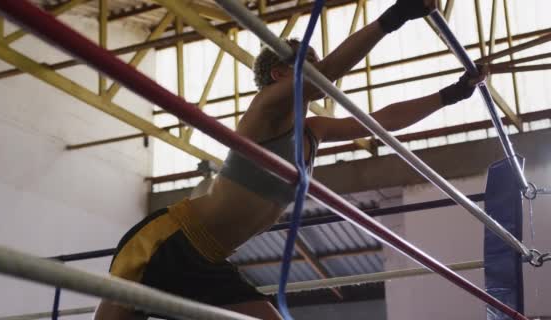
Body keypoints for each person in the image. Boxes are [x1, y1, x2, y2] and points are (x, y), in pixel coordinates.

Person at [94, 0, 487, 319]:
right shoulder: (264, 109)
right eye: (307, 65)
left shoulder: (314, 130)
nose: (322, 75)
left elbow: (381, 122)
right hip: (168, 241)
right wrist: (397, 14)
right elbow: (329, 71)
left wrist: (451, 95)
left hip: (208, 257)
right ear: (281, 72)